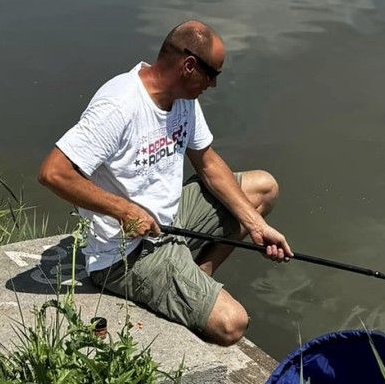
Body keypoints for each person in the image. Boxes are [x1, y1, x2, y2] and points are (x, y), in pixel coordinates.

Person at [38, 21, 290, 346]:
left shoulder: (182, 98)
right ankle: (183, 287)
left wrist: (255, 225)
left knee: (264, 188)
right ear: (188, 66)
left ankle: (198, 275)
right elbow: (53, 173)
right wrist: (123, 210)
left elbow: (209, 163)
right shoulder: (120, 105)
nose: (213, 85)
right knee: (232, 324)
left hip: (170, 220)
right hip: (127, 253)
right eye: (212, 74)